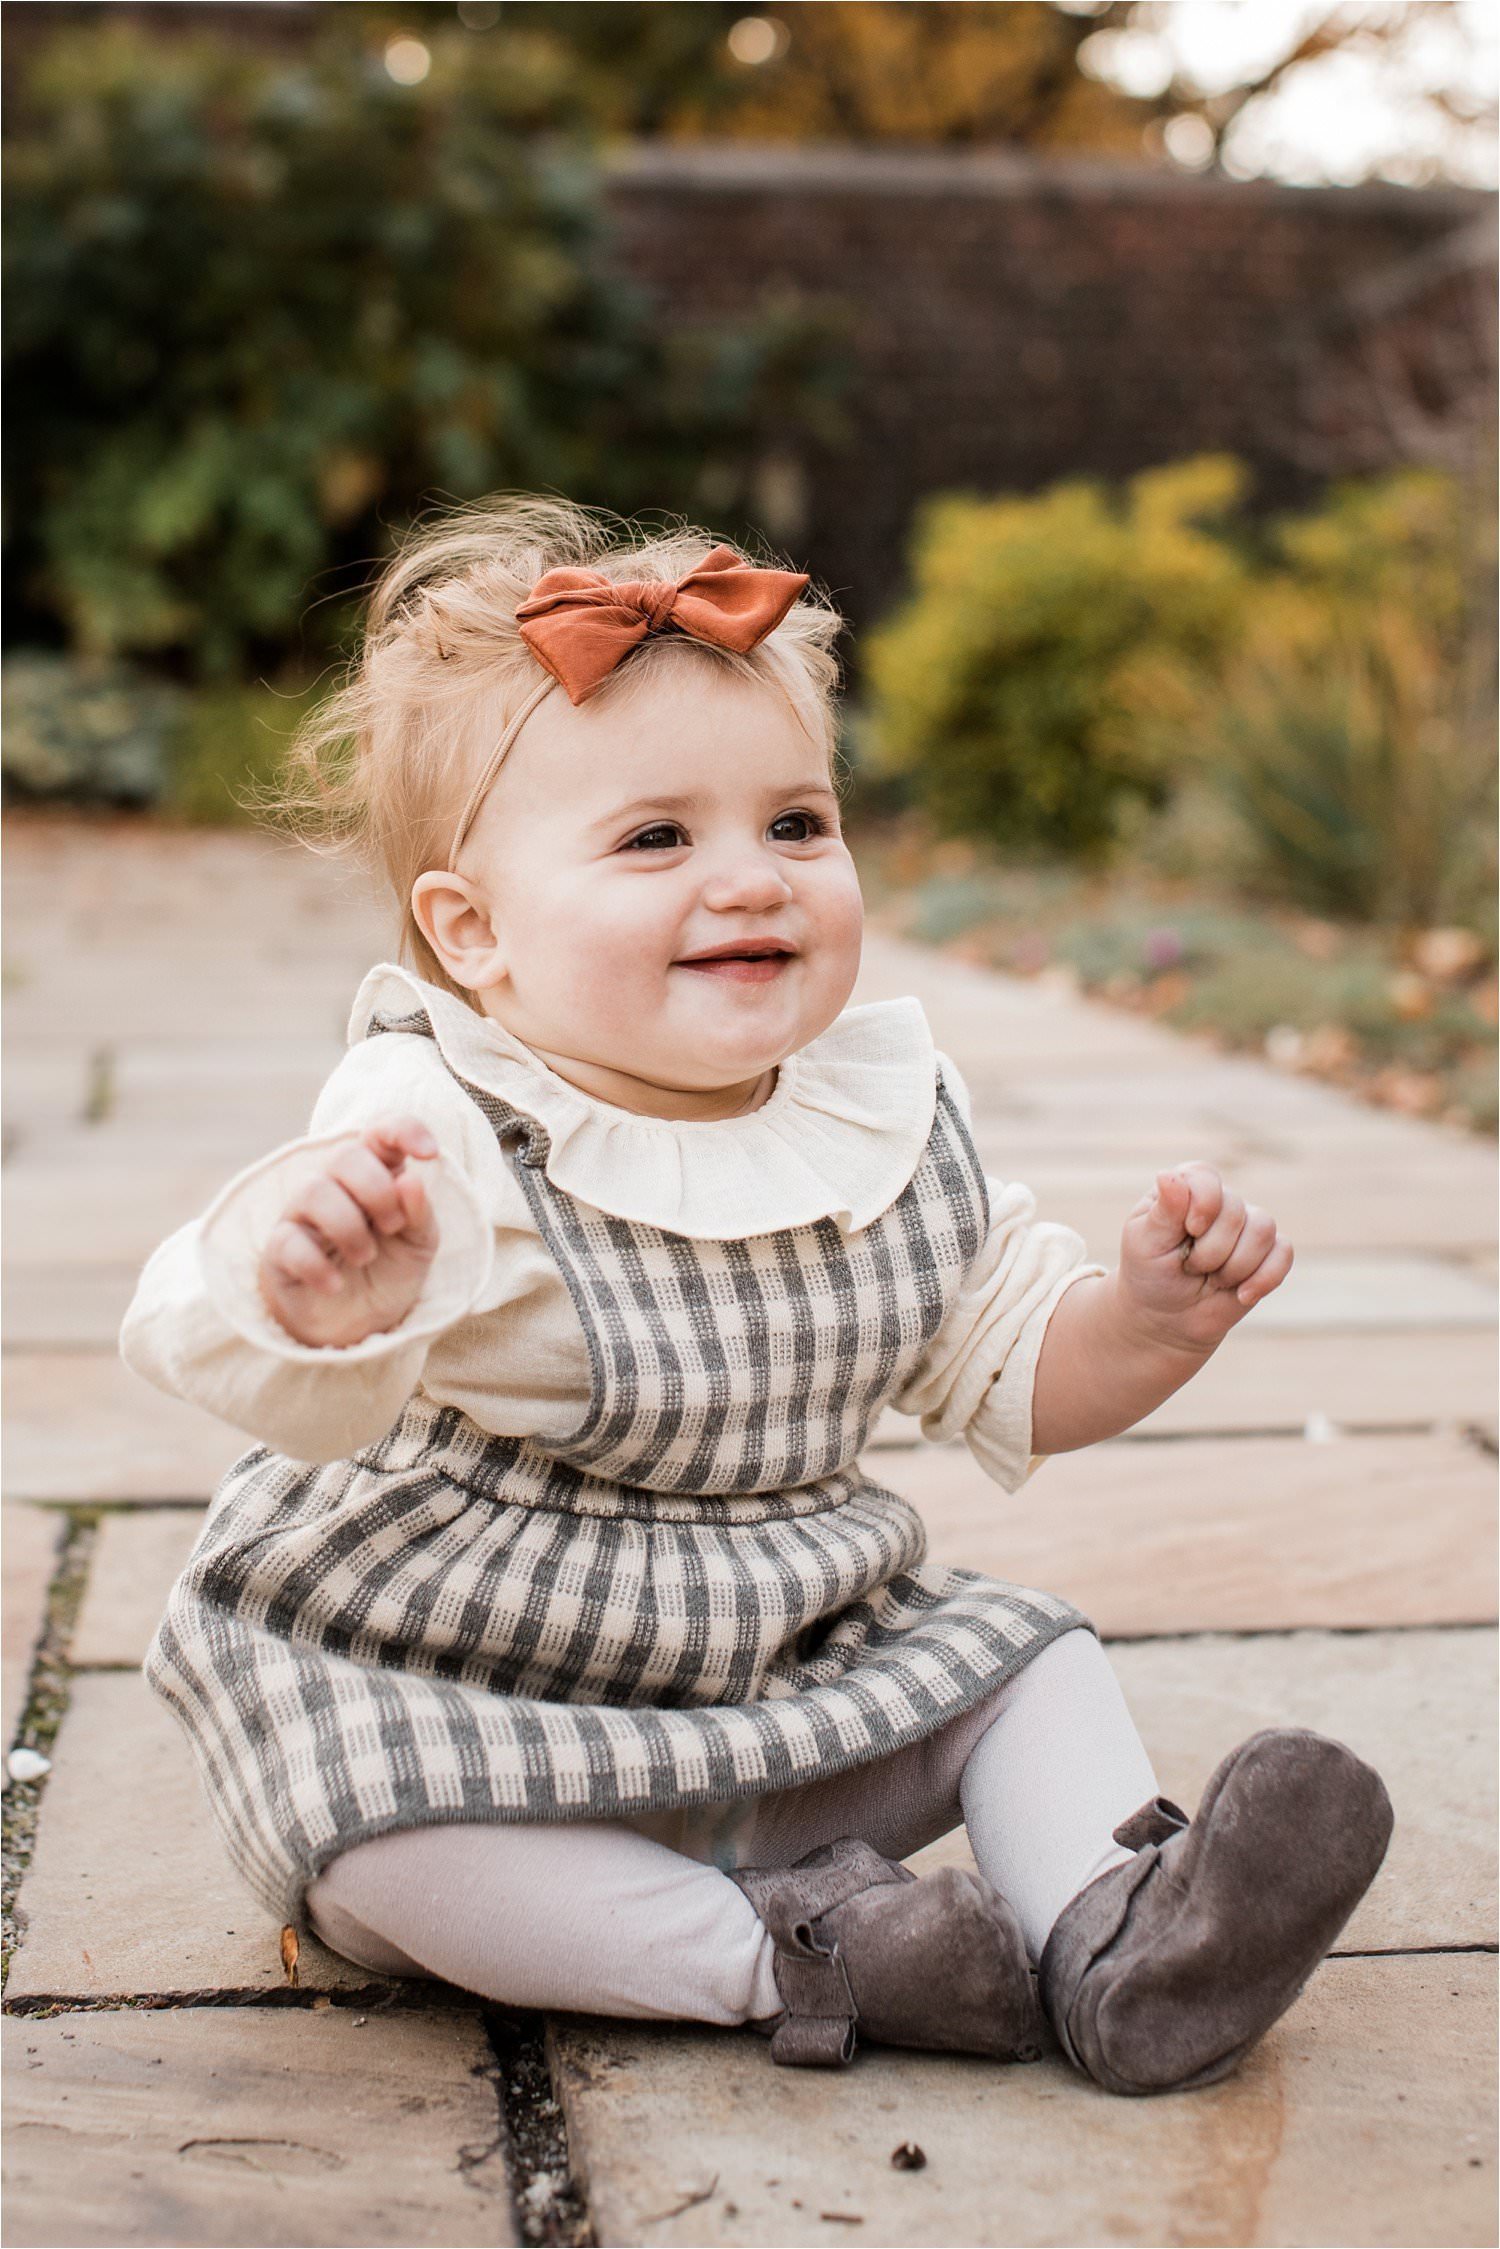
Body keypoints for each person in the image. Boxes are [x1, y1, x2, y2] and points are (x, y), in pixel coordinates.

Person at [123, 498, 1392, 2095]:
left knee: (1026, 1657)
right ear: (475, 934)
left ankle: (1115, 1930)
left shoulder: (876, 1112)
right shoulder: (439, 1118)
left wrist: (1144, 1322)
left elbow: (1011, 1364)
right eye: (658, 839)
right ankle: (798, 1952)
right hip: (478, 1699)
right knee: (377, 1847)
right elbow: (227, 1344)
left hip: (789, 1673)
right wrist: (312, 1282)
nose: (754, 879)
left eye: (797, 824)